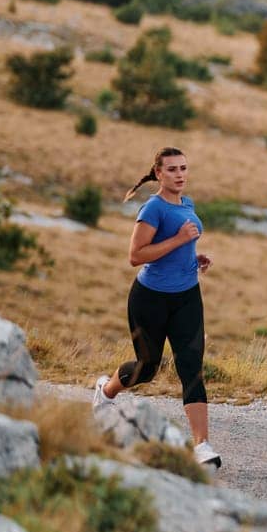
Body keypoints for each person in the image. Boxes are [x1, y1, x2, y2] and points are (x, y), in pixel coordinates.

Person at [92, 147, 221, 468]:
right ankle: (106, 391)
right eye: (173, 169)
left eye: (184, 168)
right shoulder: (153, 208)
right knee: (147, 367)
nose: (180, 174)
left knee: (190, 366)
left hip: (188, 295)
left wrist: (193, 256)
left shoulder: (187, 204)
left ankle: (201, 446)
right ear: (159, 173)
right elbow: (136, 255)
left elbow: (180, 245)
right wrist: (178, 240)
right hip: (149, 298)